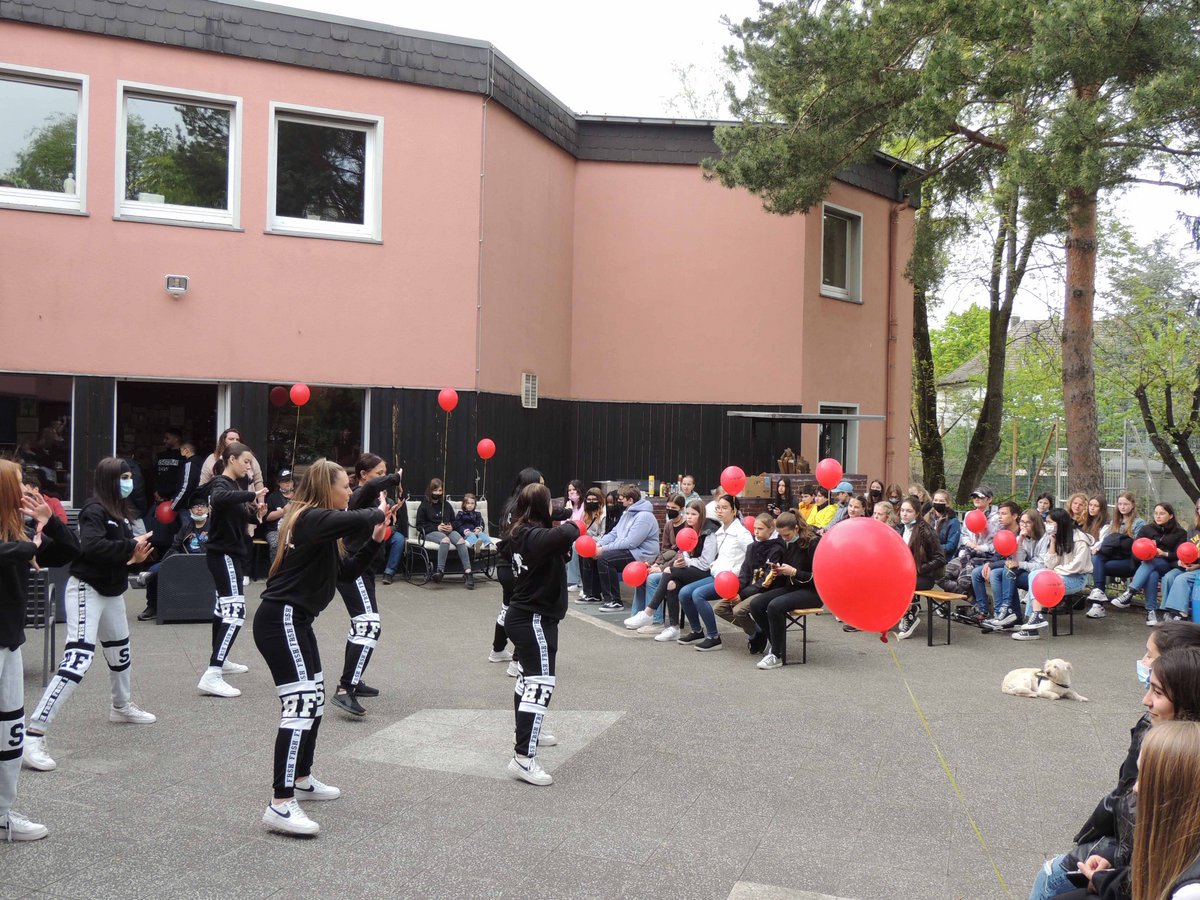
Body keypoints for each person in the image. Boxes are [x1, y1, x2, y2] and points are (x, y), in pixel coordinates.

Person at [254, 459, 387, 835]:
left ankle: (301, 778)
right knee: (299, 704)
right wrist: (374, 511)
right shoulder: (309, 518)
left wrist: (375, 541)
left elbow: (345, 572)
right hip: (281, 621)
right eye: (344, 486)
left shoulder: (322, 529)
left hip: (297, 622)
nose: (348, 491)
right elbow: (358, 514)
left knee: (313, 697)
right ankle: (280, 803)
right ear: (327, 489)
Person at [1030, 623, 1200, 900]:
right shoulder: (1154, 729)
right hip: (1130, 861)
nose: (1146, 700)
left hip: (1136, 862)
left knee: (1051, 877)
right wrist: (1114, 871)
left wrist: (1114, 870)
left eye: (1149, 655)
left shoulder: (1176, 747)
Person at [24, 458, 157, 773]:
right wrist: (130, 547)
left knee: (120, 652)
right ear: (110, 479)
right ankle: (33, 733)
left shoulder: (120, 514)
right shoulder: (94, 511)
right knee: (78, 660)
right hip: (87, 591)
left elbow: (115, 556)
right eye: (123, 477)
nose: (129, 482)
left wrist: (133, 556)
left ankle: (121, 706)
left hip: (111, 591)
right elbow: (93, 547)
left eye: (130, 476)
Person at [0, 460, 79, 839]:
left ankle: (2, 814)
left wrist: (52, 522)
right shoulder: (16, 538)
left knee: (10, 732)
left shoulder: (20, 528)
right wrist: (23, 547)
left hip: (10, 644)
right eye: (18, 483)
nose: (27, 490)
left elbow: (67, 552)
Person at [501, 482, 578, 786]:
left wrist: (557, 512)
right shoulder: (533, 535)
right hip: (533, 618)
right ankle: (523, 758)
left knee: (527, 682)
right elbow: (569, 532)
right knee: (540, 684)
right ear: (540, 508)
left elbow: (558, 549)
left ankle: (529, 733)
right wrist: (569, 517)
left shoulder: (523, 530)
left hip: (532, 616)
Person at [330, 453, 402, 717]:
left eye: (386, 472)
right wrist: (394, 479)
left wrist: (387, 514)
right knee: (369, 625)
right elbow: (372, 487)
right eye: (380, 472)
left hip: (366, 567)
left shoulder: (372, 499)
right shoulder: (359, 492)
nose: (383, 477)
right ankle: (344, 689)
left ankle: (353, 680)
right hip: (353, 566)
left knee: (361, 624)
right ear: (363, 475)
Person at [196, 442, 265, 698]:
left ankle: (220, 660)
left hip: (230, 554)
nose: (249, 466)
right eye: (246, 461)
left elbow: (237, 514)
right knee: (235, 612)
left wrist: (257, 512)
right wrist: (252, 495)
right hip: (223, 555)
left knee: (222, 609)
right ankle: (212, 673)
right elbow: (221, 499)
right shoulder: (220, 484)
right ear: (232, 460)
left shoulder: (234, 487)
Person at [625, 499, 714, 638]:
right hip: (690, 569)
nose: (689, 517)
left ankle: (649, 612)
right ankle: (674, 628)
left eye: (694, 514)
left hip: (704, 572)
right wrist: (680, 562)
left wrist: (685, 562)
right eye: (688, 513)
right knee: (671, 584)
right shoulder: (687, 531)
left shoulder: (709, 534)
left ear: (701, 515)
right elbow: (682, 552)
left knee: (668, 572)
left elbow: (706, 563)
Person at [677, 492, 753, 651]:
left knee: (698, 594)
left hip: (731, 580)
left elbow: (751, 558)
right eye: (718, 507)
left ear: (734, 511)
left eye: (725, 508)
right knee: (684, 593)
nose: (720, 511)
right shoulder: (719, 532)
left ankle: (713, 637)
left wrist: (735, 572)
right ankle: (697, 631)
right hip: (716, 575)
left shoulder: (742, 533)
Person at [748, 511, 821, 669]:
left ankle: (776, 654)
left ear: (796, 528)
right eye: (781, 535)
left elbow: (819, 577)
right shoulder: (784, 540)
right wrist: (778, 571)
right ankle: (776, 643)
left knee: (775, 606)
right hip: (791, 586)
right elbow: (787, 570)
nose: (784, 538)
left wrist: (794, 572)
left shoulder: (812, 542)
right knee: (756, 604)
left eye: (787, 535)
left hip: (812, 591)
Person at [490, 468, 545, 673]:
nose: (543, 486)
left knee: (508, 608)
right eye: (540, 483)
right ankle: (517, 661)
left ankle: (497, 650)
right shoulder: (526, 509)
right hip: (518, 567)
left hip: (505, 565)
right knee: (524, 614)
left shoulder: (510, 504)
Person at [1012, 507, 1091, 639]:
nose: (1047, 526)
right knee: (1034, 575)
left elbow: (1077, 566)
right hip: (1057, 575)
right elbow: (1049, 563)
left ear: (1060, 523)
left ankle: (1033, 622)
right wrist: (1053, 542)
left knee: (1039, 579)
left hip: (1076, 578)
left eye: (1050, 522)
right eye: (1047, 522)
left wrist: (1055, 571)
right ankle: (1035, 617)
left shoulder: (1080, 539)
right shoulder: (1056, 537)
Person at [715, 512, 783, 653]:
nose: (756, 532)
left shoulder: (777, 548)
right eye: (755, 529)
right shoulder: (752, 547)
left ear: (771, 529)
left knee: (739, 610)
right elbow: (745, 573)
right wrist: (736, 591)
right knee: (719, 608)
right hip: (747, 589)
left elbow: (767, 580)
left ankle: (758, 635)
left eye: (760, 529)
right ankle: (757, 631)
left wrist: (743, 595)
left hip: (764, 591)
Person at [136, 497, 211, 621]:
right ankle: (152, 607)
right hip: (185, 562)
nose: (199, 509)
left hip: (207, 563)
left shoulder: (214, 526)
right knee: (155, 571)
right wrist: (165, 563)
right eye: (195, 506)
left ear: (207, 509)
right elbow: (175, 546)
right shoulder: (186, 527)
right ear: (190, 510)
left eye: (202, 506)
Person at [1113, 502, 1188, 626]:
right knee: (1151, 573)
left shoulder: (1180, 533)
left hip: (1169, 566)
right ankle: (1151, 612)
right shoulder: (1146, 529)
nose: (1158, 516)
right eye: (1156, 513)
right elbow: (1135, 551)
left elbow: (1180, 555)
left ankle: (1130, 592)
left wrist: (1163, 554)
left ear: (1171, 516)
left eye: (1162, 513)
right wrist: (1147, 552)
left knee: (1151, 562)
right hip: (1147, 566)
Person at [593, 485, 659, 611]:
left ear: (630, 500)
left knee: (605, 559)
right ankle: (592, 593)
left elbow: (631, 542)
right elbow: (614, 533)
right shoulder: (627, 513)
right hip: (629, 550)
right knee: (594, 555)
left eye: (621, 499)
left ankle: (614, 601)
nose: (619, 501)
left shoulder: (644, 517)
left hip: (641, 554)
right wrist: (599, 544)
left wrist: (604, 549)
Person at [622, 493, 684, 621]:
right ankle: (636, 615)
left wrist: (661, 569)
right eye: (668, 507)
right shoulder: (669, 525)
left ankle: (655, 619)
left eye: (674, 508)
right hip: (667, 562)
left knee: (652, 579)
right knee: (643, 575)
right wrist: (657, 563)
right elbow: (665, 550)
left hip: (679, 566)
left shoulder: (687, 527)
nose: (670, 511)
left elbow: (681, 555)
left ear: (681, 509)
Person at [983, 509, 1048, 633]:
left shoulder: (1044, 538)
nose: (1023, 525)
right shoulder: (1022, 537)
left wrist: (1019, 564)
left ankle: (1009, 611)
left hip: (1040, 575)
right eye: (1022, 522)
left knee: (1008, 571)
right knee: (999, 572)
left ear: (1035, 523)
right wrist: (1020, 540)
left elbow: (1041, 565)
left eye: (1027, 522)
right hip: (1028, 570)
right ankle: (1005, 611)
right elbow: (1017, 560)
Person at [895, 496, 948, 640]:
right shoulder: (899, 528)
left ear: (917, 513)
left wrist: (919, 568)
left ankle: (910, 615)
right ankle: (897, 612)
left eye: (909, 511)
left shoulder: (926, 531)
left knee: (902, 584)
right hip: (904, 574)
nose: (904, 514)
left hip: (924, 576)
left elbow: (940, 558)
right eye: (903, 510)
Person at [1087, 491, 1146, 619]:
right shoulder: (1115, 521)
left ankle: (1098, 604)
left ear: (1132, 505)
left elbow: (1137, 547)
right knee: (1097, 557)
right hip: (1112, 557)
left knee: (1098, 566)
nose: (1122, 507)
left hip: (1128, 561)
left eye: (1126, 504)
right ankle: (1098, 598)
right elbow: (1107, 541)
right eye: (1120, 504)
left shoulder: (1139, 523)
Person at [968, 500, 1021, 625]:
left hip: (1016, 565)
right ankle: (983, 610)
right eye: (999, 513)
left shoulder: (1019, 534)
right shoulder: (1002, 532)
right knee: (976, 572)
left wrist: (991, 566)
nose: (1000, 517)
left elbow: (1013, 559)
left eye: (1004, 514)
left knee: (994, 573)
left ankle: (999, 612)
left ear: (1014, 516)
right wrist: (988, 564)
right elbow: (998, 555)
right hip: (1004, 564)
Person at [416, 478, 474, 587]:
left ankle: (468, 572)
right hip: (431, 532)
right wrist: (436, 527)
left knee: (461, 540)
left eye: (440, 491)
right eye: (435, 490)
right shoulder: (424, 506)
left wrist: (452, 526)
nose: (437, 493)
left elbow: (455, 521)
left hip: (447, 531)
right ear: (430, 491)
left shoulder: (446, 505)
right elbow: (419, 525)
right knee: (445, 540)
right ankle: (440, 571)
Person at [1162, 499, 1200, 622]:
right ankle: (1166, 612)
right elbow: (1189, 549)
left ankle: (1180, 615)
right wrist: (1183, 561)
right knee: (1169, 576)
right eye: (1198, 508)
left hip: (1197, 568)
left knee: (1181, 579)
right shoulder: (1193, 527)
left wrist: (1197, 566)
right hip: (1191, 566)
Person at [198, 427, 264, 491]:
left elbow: (258, 481)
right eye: (231, 439)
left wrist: (261, 502)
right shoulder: (212, 458)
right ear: (223, 441)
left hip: (247, 500)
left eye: (237, 439)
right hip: (220, 499)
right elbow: (203, 484)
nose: (235, 441)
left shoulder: (249, 457)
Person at [574, 487, 608, 605]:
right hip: (587, 542)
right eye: (589, 499)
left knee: (589, 556)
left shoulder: (604, 514)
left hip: (599, 543)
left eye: (594, 499)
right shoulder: (586, 512)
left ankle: (594, 593)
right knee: (580, 552)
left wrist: (591, 540)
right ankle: (587, 591)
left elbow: (603, 535)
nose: (591, 502)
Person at [261, 469, 293, 564]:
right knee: (276, 544)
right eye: (284, 481)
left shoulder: (299, 496)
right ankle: (275, 572)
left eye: (290, 481)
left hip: (294, 529)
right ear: (279, 483)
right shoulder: (273, 497)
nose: (288, 483)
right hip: (275, 530)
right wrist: (283, 511)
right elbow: (266, 517)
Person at [559, 480, 586, 591]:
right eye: (569, 490)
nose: (571, 492)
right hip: (568, 533)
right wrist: (568, 511)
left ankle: (574, 580)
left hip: (581, 535)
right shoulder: (568, 505)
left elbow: (582, 523)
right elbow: (563, 522)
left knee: (575, 545)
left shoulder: (584, 506)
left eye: (574, 489)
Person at [154, 427, 184, 507]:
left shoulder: (183, 456)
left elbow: (183, 479)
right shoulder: (161, 456)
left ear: (176, 439)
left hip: (175, 499)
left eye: (167, 438)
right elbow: (155, 475)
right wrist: (156, 492)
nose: (164, 441)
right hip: (159, 498)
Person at [928, 488, 961, 558]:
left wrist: (934, 549)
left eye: (941, 501)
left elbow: (951, 545)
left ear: (947, 503)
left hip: (944, 558)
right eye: (936, 500)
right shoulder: (928, 518)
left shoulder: (953, 522)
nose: (938, 503)